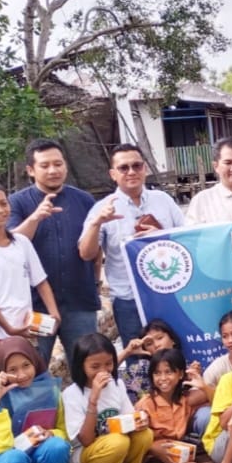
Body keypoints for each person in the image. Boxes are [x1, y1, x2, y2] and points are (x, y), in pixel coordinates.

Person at [78, 144, 185, 354]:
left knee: (174, 352)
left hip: (166, 292)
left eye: (136, 166)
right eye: (124, 168)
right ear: (113, 174)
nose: (131, 172)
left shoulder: (163, 201)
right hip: (128, 299)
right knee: (138, 357)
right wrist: (96, 223)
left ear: (145, 168)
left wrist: (159, 235)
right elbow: (86, 253)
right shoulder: (102, 208)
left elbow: (186, 241)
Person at [8, 138, 100, 369]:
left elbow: (96, 250)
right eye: (45, 165)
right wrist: (35, 217)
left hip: (80, 303)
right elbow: (9, 245)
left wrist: (96, 283)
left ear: (65, 166)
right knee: (33, 368)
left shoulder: (84, 200)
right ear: (31, 170)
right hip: (35, 307)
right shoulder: (16, 203)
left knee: (87, 367)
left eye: (58, 164)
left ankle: (88, 406)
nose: (53, 170)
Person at [0, 180, 61, 369]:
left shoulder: (22, 242)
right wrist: (8, 328)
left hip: (26, 328)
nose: (0, 210)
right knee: (3, 386)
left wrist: (54, 315)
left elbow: (41, 282)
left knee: (29, 385)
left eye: (4, 203)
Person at [62, 333, 153, 463]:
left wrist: (139, 421)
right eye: (95, 366)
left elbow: (128, 416)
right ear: (81, 366)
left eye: (109, 364)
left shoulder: (116, 384)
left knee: (144, 434)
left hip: (114, 448)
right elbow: (87, 440)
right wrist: (94, 399)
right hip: (85, 458)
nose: (103, 371)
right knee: (118, 441)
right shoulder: (71, 394)